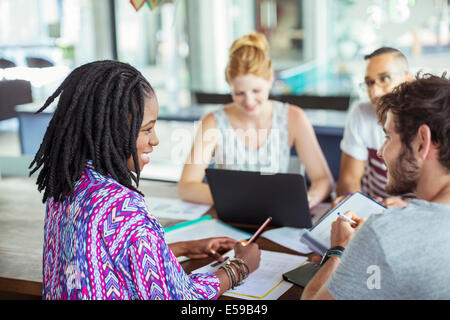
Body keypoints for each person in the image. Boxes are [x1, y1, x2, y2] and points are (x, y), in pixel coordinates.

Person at [29, 60, 261, 300]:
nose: (155, 140)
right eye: (147, 129)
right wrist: (241, 266)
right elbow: (182, 298)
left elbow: (100, 260)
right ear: (113, 129)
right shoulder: (121, 207)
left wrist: (182, 248)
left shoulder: (67, 185)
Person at [301, 73, 450, 299]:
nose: (380, 152)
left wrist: (339, 249)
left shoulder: (383, 233)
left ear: (422, 142)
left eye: (388, 137)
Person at [178, 32, 333, 208]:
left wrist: (308, 200)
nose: (249, 101)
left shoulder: (293, 117)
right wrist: (245, 199)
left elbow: (323, 180)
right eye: (240, 93)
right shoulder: (213, 121)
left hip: (276, 217)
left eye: (256, 91)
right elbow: (186, 187)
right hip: (232, 216)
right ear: (230, 87)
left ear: (270, 80)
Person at [335, 47, 414, 208]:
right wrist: (355, 207)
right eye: (369, 82)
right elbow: (349, 180)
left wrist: (407, 208)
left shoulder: (433, 117)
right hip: (373, 214)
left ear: (408, 78)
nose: (374, 92)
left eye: (384, 79)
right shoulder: (361, 113)